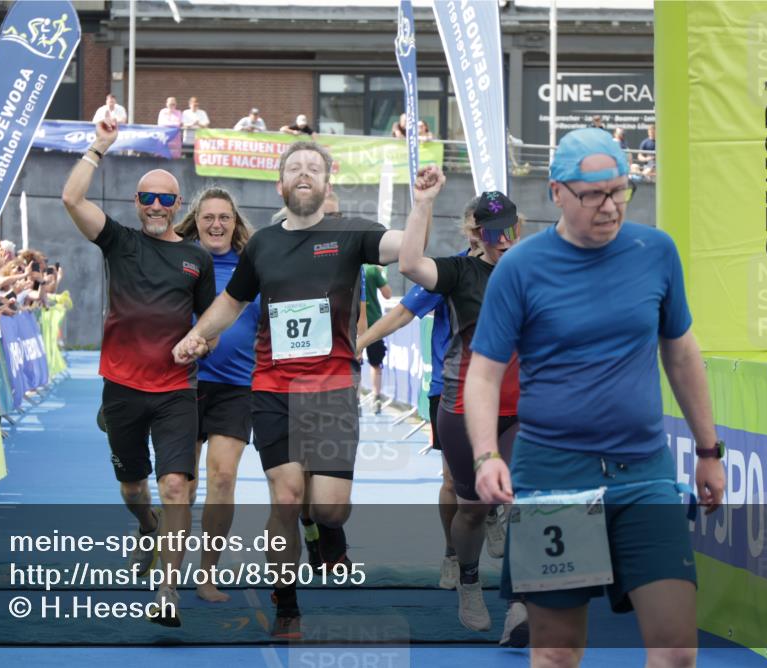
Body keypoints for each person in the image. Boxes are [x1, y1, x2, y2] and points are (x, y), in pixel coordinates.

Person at [466, 127, 725, 666]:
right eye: (594, 195)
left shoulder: (656, 251)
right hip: (552, 479)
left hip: (645, 474)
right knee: (558, 656)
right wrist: (487, 454)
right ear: (556, 192)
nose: (610, 206)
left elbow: (680, 352)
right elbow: (485, 373)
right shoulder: (520, 268)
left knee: (677, 650)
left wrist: (707, 451)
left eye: (621, 189)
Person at [172, 142, 431, 638]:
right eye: (295, 167)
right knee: (286, 497)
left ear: (327, 184)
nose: (305, 173)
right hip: (273, 387)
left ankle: (324, 529)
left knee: (330, 505)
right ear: (282, 185)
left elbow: (411, 253)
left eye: (315, 167)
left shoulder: (350, 233)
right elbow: (230, 303)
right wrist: (196, 336)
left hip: (331, 389)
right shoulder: (263, 245)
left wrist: (421, 204)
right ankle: (286, 605)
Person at [61, 113, 215, 628]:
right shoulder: (120, 241)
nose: (155, 206)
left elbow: (209, 323)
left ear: (178, 207)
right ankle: (145, 527)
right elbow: (72, 201)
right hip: (122, 387)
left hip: (176, 391)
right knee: (134, 488)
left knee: (177, 486)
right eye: (147, 198)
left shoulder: (197, 259)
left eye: (166, 199)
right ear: (136, 204)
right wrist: (97, 148)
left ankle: (167, 589)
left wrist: (200, 345)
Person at [398, 189, 527, 644]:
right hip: (463, 409)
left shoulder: (533, 269)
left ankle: (518, 604)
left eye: (510, 228)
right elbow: (410, 264)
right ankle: (469, 581)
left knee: (518, 504)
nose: (504, 239)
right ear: (476, 234)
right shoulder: (459, 272)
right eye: (493, 232)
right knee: (472, 510)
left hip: (521, 410)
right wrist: (423, 203)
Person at [173, 187, 258, 602]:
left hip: (236, 387)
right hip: (182, 384)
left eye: (225, 217)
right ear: (196, 220)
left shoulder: (251, 267)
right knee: (183, 486)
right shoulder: (180, 259)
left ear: (235, 222)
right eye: (209, 217)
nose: (217, 224)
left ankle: (207, 573)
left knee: (222, 477)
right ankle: (167, 565)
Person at [361, 263, 391, 414]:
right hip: (373, 323)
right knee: (375, 363)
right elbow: (388, 294)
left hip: (352, 323)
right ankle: (376, 397)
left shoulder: (349, 266)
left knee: (354, 364)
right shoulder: (373, 270)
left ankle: (355, 401)